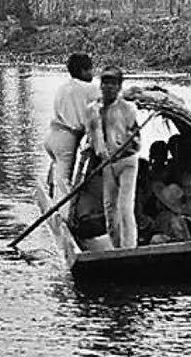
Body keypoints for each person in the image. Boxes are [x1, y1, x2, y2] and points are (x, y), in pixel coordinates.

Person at [85, 65, 141, 249]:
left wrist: (119, 152)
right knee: (110, 208)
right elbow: (92, 137)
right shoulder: (92, 110)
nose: (108, 87)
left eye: (112, 83)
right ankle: (117, 248)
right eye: (105, 82)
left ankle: (130, 248)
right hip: (106, 164)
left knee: (125, 207)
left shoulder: (128, 109)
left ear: (119, 87)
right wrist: (99, 154)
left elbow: (136, 143)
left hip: (126, 162)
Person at [43, 53, 97, 219]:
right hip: (67, 138)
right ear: (82, 71)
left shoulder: (63, 87)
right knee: (64, 180)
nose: (93, 74)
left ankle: (49, 194)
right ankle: (62, 217)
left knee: (56, 169)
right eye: (90, 70)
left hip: (52, 136)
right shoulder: (88, 88)